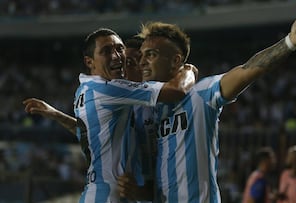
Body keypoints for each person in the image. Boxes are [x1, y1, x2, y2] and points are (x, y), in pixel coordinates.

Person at [117, 3, 296, 202]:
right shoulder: (146, 112)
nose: (143, 61)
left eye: (151, 54)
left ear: (175, 60)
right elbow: (158, 185)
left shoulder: (201, 94)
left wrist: (290, 42)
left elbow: (247, 71)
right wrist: (138, 191)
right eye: (142, 56)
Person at [24, 28, 196, 203]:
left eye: (120, 50)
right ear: (89, 62)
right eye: (107, 51)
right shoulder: (113, 89)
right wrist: (188, 70)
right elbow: (178, 89)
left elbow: (93, 133)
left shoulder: (87, 90)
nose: (118, 57)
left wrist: (56, 115)